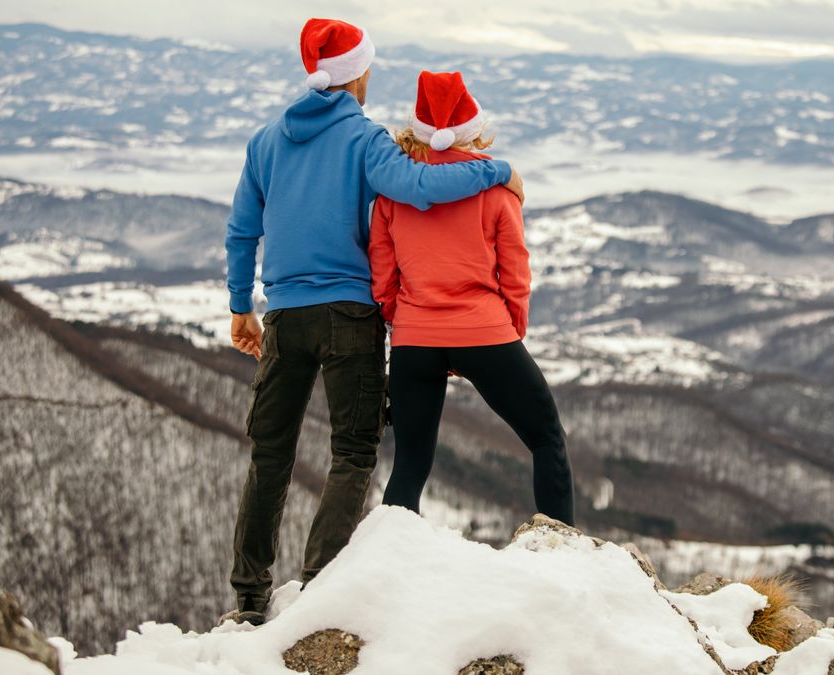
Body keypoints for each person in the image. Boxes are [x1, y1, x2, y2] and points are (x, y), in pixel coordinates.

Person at [224, 18, 525, 627]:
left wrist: (240, 306)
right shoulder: (365, 140)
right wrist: (499, 173)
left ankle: (250, 598)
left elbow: (241, 231)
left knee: (270, 454)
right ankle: (319, 588)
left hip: (283, 314)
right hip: (351, 316)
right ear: (358, 73)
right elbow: (418, 186)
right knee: (354, 452)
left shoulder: (265, 141)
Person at [369, 71, 575, 528]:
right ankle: (565, 551)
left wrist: (402, 322)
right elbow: (515, 274)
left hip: (414, 340)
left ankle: (388, 566)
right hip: (485, 333)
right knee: (546, 439)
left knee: (410, 463)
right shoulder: (497, 192)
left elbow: (382, 277)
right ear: (472, 129)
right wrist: (508, 332)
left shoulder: (393, 194)